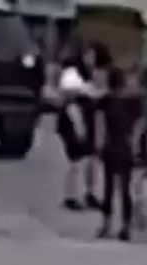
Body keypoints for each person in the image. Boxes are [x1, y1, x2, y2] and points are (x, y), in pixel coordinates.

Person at [96, 66, 143, 241]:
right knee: (125, 189)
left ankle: (106, 224)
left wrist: (98, 144)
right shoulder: (134, 103)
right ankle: (125, 226)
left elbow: (100, 123)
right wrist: (135, 145)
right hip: (126, 146)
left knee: (108, 187)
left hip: (110, 145)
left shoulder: (105, 101)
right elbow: (139, 126)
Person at [55, 49, 97, 210]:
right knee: (76, 161)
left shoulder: (87, 75)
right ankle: (70, 196)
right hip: (73, 122)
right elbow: (70, 102)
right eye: (89, 56)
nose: (91, 60)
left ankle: (88, 193)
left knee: (88, 161)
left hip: (83, 122)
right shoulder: (72, 74)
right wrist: (79, 127)